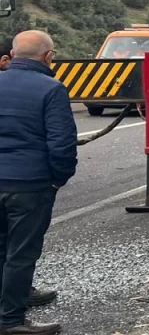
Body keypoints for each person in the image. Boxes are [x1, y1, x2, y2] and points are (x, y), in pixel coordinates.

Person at [0, 31, 76, 335]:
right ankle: (11, 322)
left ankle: (11, 302)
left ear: (13, 54)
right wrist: (58, 179)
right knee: (21, 253)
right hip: (29, 185)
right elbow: (61, 142)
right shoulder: (51, 88)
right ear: (48, 57)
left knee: (2, 248)